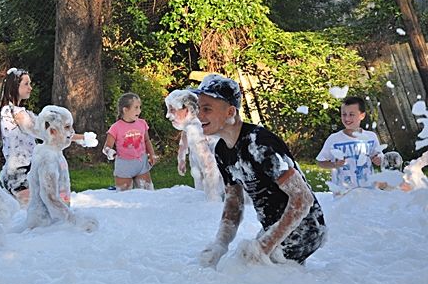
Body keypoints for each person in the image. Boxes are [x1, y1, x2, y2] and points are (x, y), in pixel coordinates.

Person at [195, 74, 326, 267]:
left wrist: (265, 246)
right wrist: (220, 244)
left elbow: (303, 198)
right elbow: (234, 203)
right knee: (244, 270)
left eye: (207, 109)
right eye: (198, 108)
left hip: (306, 228)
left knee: (249, 274)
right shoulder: (222, 150)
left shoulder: (260, 145)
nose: (199, 115)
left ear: (230, 112)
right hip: (276, 228)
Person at [0, 67, 97, 205]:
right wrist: (79, 138)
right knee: (32, 213)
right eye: (26, 84)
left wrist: (80, 138)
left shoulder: (20, 112)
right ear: (15, 86)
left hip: (24, 168)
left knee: (33, 212)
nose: (30, 88)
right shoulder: (15, 113)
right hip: (19, 172)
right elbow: (42, 131)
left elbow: (49, 130)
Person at [24, 106, 98, 232]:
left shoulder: (55, 153)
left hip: (57, 219)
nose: (72, 132)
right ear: (52, 131)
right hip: (44, 224)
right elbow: (49, 197)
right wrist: (73, 220)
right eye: (67, 127)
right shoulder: (48, 158)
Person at [316, 96, 384, 194]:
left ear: (362, 115)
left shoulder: (371, 137)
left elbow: (379, 157)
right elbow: (320, 162)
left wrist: (378, 159)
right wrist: (334, 164)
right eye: (344, 114)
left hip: (368, 192)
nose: (347, 118)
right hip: (343, 194)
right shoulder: (334, 139)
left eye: (351, 114)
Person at [165, 89, 224, 201]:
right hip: (199, 166)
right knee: (199, 179)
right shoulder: (190, 126)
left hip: (215, 174)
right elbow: (184, 136)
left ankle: (213, 200)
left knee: (206, 184)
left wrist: (213, 198)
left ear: (187, 109)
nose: (168, 115)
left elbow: (210, 166)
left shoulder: (195, 129)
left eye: (172, 110)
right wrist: (181, 157)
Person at [102, 92, 156, 191]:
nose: (139, 111)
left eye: (140, 107)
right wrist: (110, 152)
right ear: (125, 110)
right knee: (125, 198)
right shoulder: (115, 127)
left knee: (148, 195)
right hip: (124, 167)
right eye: (136, 107)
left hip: (142, 165)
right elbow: (106, 147)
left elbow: (147, 140)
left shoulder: (142, 123)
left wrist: (152, 154)